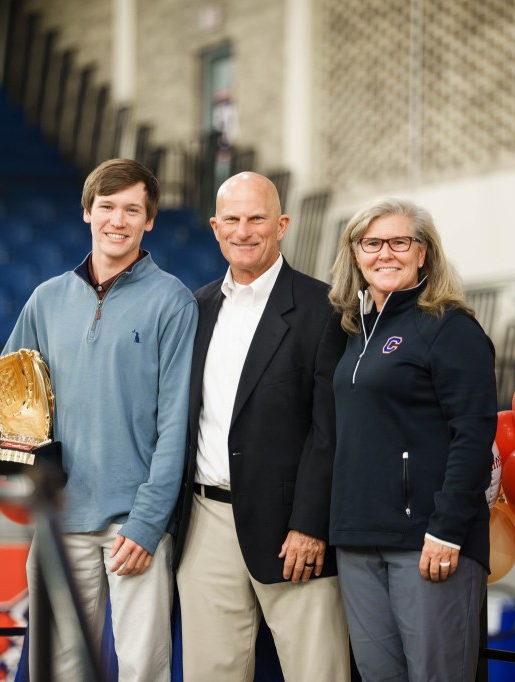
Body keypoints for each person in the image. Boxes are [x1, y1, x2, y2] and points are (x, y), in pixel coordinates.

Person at [0, 158, 198, 680]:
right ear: (87, 211)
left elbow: (177, 423)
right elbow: (4, 389)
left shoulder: (173, 301)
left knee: (142, 669)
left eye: (132, 209)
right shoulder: (47, 299)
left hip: (135, 527)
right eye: (107, 207)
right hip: (59, 517)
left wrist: (149, 522)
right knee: (57, 668)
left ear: (149, 220)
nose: (118, 219)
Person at [173, 171, 351, 680]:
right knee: (211, 672)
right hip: (205, 523)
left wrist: (310, 524)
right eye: (232, 219)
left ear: (282, 224)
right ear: (214, 227)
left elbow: (329, 429)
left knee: (318, 671)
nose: (244, 230)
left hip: (293, 531)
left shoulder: (324, 309)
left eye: (257, 218)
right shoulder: (197, 306)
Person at [327, 198, 497, 681]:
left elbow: (473, 434)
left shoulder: (450, 327)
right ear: (356, 254)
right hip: (358, 539)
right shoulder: (353, 332)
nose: (386, 254)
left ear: (423, 252)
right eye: (372, 243)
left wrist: (446, 530)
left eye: (400, 242)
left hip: (428, 542)